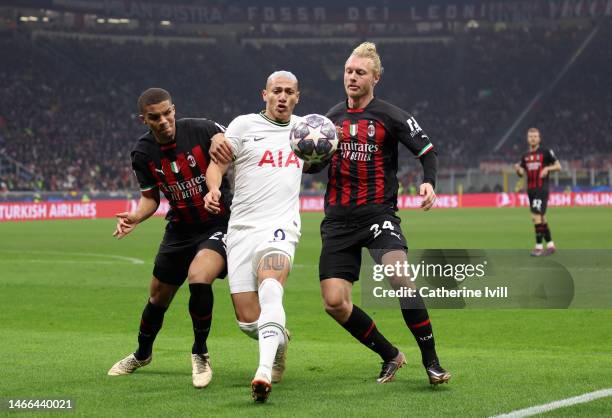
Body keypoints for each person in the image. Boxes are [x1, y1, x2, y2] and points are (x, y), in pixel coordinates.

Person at [314, 42, 450, 385]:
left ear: (375, 77)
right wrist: (308, 156)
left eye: (360, 72)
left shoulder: (391, 115)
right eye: (348, 71)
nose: (352, 77)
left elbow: (427, 151)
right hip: (338, 219)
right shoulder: (329, 119)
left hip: (378, 215)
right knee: (334, 303)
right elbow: (312, 168)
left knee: (400, 277)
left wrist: (429, 183)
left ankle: (432, 362)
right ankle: (390, 355)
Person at [107, 88, 231, 389]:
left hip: (218, 221)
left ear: (174, 109)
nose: (163, 121)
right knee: (157, 297)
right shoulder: (142, 153)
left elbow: (232, 139)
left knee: (198, 277)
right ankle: (142, 353)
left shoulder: (202, 129)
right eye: (155, 117)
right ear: (143, 120)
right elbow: (150, 199)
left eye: (167, 113)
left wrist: (219, 136)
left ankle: (200, 352)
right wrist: (136, 216)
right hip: (179, 227)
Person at [204, 71, 306, 402]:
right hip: (242, 229)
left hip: (281, 226)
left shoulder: (307, 131)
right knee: (249, 321)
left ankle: (262, 374)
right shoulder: (243, 126)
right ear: (264, 94)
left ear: (297, 97)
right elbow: (217, 164)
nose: (282, 97)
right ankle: (279, 343)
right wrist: (214, 189)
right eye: (277, 90)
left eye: (289, 92)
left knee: (271, 286)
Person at [514, 127, 561, 256]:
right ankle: (551, 245)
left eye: (535, 136)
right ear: (527, 139)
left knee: (536, 217)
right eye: (530, 136)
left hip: (542, 188)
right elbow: (522, 173)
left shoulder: (546, 152)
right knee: (541, 218)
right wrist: (517, 170)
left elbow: (558, 166)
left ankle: (538, 247)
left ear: (539, 138)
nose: (533, 138)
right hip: (531, 190)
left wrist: (548, 169)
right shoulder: (525, 156)